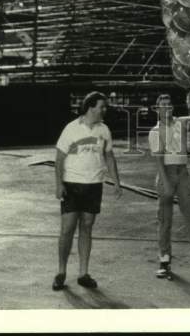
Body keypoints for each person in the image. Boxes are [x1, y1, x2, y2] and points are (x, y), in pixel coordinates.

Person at [53, 91, 122, 291]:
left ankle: (83, 273)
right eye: (102, 106)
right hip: (72, 185)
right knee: (67, 229)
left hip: (94, 185)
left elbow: (109, 157)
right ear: (90, 107)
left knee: (87, 227)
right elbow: (59, 159)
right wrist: (59, 184)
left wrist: (116, 182)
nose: (105, 110)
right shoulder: (71, 129)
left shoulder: (104, 130)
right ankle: (61, 272)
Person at [148, 93, 190, 280]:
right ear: (157, 109)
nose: (167, 107)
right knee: (165, 219)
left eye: (169, 103)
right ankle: (164, 260)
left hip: (183, 173)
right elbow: (158, 160)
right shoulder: (155, 131)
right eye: (162, 104)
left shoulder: (180, 123)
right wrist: (166, 184)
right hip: (166, 174)